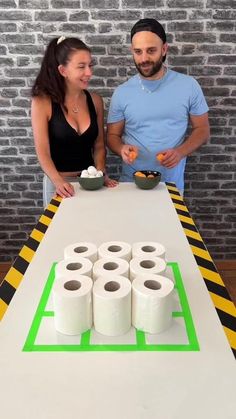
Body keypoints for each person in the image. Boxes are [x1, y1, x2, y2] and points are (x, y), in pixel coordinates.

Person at [107, 18, 210, 193]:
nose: (144, 58)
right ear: (132, 51)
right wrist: (121, 148)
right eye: (138, 52)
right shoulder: (122, 92)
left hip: (171, 186)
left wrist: (180, 152)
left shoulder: (188, 85)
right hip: (131, 185)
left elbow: (202, 129)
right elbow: (112, 135)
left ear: (164, 49)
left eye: (151, 51)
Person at [31, 36, 117, 207]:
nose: (89, 73)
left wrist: (99, 172)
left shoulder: (96, 101)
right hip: (59, 185)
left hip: (90, 183)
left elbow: (99, 145)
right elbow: (43, 153)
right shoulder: (42, 103)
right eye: (81, 67)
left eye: (90, 65)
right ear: (63, 71)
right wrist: (57, 182)